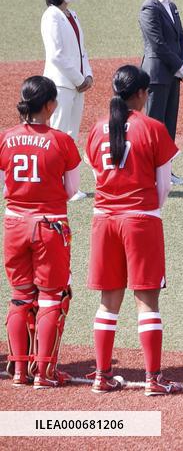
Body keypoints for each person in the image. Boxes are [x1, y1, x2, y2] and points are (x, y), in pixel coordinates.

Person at [85, 65, 182, 396]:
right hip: (140, 219)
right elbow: (164, 185)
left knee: (108, 302)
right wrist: (151, 210)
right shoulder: (153, 128)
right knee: (147, 301)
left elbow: (97, 172)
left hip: (104, 220)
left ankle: (101, 375)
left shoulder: (98, 128)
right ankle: (153, 379)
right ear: (140, 94)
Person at [1, 76, 82, 388]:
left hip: (14, 224)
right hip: (50, 226)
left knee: (20, 296)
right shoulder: (61, 141)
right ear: (50, 105)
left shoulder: (6, 138)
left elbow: (3, 186)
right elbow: (72, 189)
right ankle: (44, 372)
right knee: (52, 297)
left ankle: (20, 371)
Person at [41, 0, 92, 201]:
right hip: (62, 83)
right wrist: (79, 79)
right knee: (60, 134)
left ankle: (69, 186)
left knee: (70, 136)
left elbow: (81, 51)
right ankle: (56, 185)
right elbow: (57, 55)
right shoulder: (51, 16)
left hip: (76, 83)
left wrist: (87, 75)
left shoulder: (72, 15)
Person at [139, 0, 183, 185]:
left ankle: (165, 171)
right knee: (154, 124)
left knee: (169, 125)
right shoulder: (149, 8)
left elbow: (181, 37)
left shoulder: (172, 6)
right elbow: (157, 44)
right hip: (157, 75)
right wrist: (180, 64)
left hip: (173, 74)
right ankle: (149, 173)